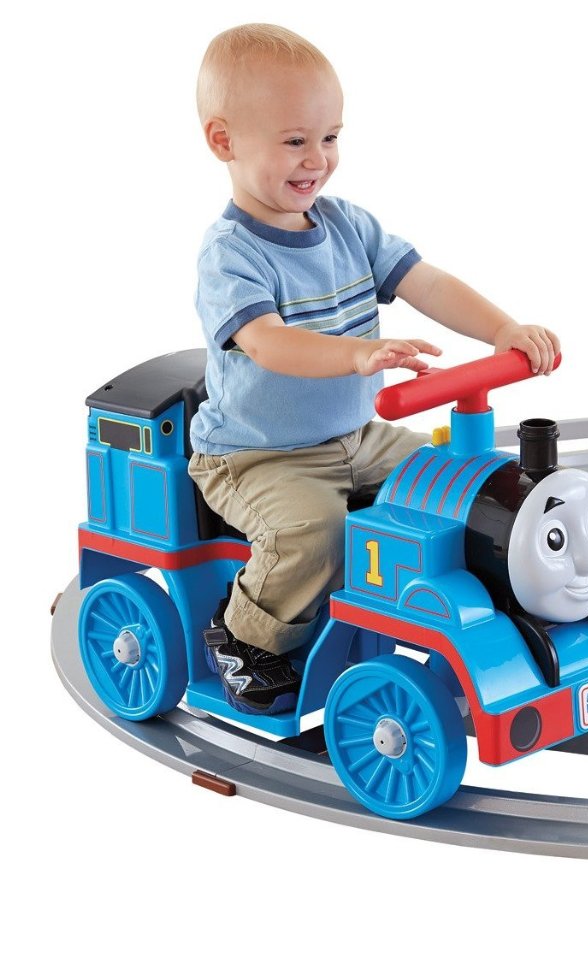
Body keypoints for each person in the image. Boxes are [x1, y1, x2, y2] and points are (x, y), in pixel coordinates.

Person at [188, 23, 560, 714]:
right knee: (312, 531)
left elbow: (427, 282)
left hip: (359, 436)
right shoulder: (230, 254)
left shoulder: (348, 225)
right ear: (223, 141)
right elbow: (268, 343)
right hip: (257, 456)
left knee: (454, 487)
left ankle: (478, 616)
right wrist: (356, 355)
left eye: (330, 137)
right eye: (294, 141)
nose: (318, 159)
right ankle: (245, 636)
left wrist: (503, 329)